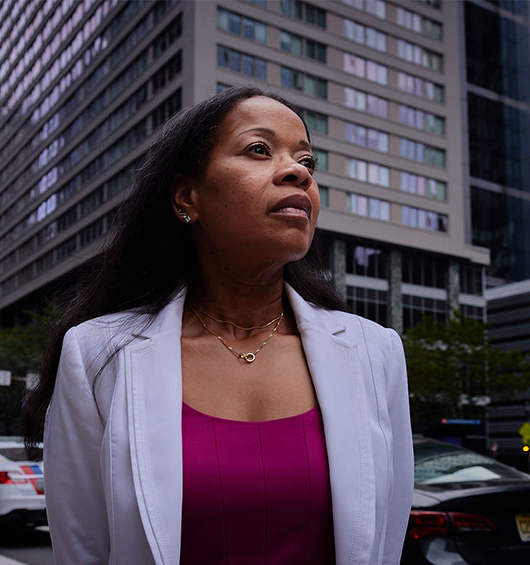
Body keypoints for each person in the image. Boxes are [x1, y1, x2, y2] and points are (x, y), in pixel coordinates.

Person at [22, 86, 413, 564]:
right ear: (188, 196)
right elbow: (84, 550)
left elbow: (384, 541)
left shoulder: (375, 352)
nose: (298, 172)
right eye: (259, 150)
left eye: (307, 161)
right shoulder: (97, 354)